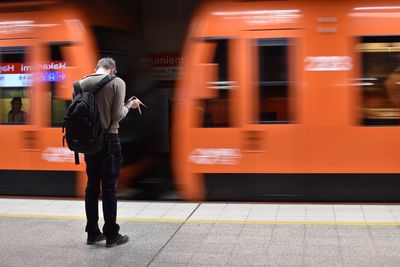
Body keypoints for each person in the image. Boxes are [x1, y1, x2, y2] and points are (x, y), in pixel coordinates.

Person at [78, 57, 140, 247]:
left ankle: (92, 232)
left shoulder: (81, 83)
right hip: (109, 141)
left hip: (89, 143)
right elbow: (117, 115)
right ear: (112, 70)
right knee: (110, 188)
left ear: (96, 68)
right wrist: (130, 105)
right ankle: (112, 234)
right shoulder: (117, 82)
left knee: (92, 186)